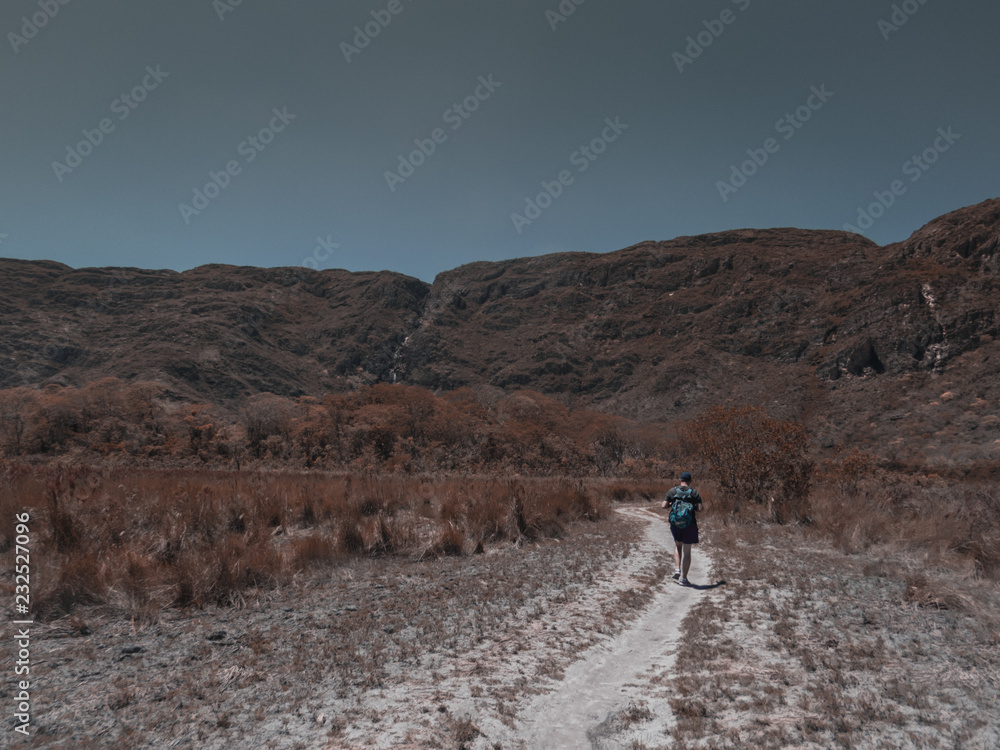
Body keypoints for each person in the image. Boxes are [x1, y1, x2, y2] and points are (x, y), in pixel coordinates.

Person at [662, 471, 704, 586]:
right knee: (687, 551)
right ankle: (684, 579)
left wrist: (671, 504)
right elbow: (700, 509)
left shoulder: (673, 491)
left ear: (680, 480)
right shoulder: (694, 492)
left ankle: (677, 569)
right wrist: (693, 505)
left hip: (676, 523)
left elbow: (663, 506)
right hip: (690, 524)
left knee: (678, 545)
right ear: (690, 481)